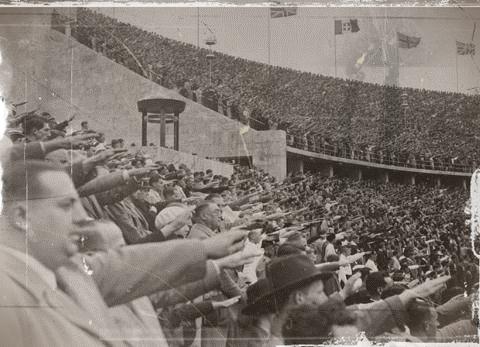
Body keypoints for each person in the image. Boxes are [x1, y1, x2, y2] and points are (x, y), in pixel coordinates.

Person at [0, 160, 249, 346]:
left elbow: (124, 263)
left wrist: (203, 249)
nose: (80, 217)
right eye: (66, 205)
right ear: (21, 216)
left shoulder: (70, 269)